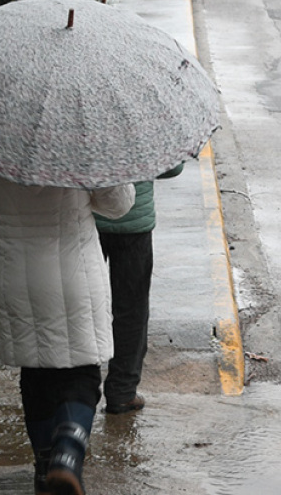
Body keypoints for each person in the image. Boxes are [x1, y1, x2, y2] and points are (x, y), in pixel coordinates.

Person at [0, 169, 135, 495]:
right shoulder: (79, 144)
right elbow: (119, 204)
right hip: (73, 270)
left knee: (35, 372)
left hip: (15, 272)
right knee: (82, 374)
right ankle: (66, 457)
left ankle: (45, 469)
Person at [95, 163, 184, 415]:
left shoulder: (76, 123)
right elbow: (172, 167)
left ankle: (84, 389)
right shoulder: (142, 124)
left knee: (85, 307)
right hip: (134, 224)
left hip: (86, 223)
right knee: (131, 309)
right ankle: (122, 392)